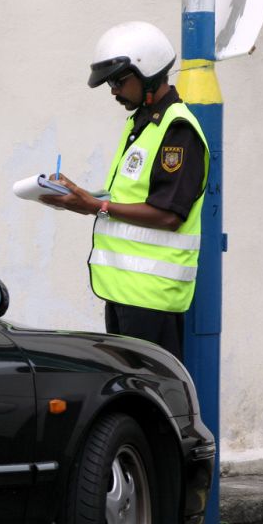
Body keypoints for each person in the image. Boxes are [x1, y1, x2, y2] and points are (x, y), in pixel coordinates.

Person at [42, 21, 209, 362]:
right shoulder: (141, 124)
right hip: (125, 294)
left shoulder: (177, 130)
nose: (114, 91)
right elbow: (126, 200)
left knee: (155, 399)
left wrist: (95, 206)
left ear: (146, 72)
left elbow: (168, 213)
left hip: (152, 299)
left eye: (119, 81)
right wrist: (81, 198)